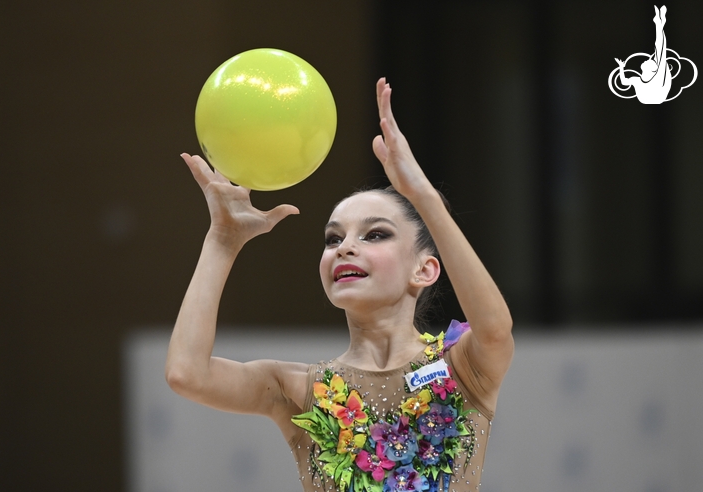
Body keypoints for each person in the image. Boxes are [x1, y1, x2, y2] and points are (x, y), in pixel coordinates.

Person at [165, 78, 514, 492]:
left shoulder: (462, 368)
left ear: (424, 270)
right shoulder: (298, 388)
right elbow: (187, 374)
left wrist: (423, 196)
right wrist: (222, 240)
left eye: (375, 234)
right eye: (334, 239)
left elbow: (494, 329)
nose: (345, 248)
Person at [615, 5, 671, 104]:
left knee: (660, 51)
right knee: (660, 51)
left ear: (652, 69)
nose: (648, 59)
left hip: (656, 96)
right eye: (651, 60)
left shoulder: (655, 78)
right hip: (652, 97)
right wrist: (621, 67)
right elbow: (624, 82)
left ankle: (659, 23)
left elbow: (660, 49)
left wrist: (621, 67)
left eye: (650, 61)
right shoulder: (638, 80)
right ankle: (659, 23)